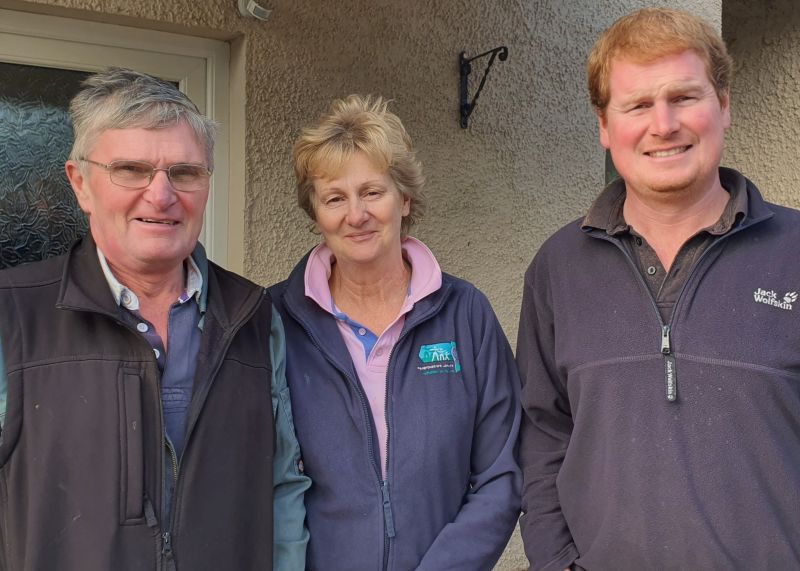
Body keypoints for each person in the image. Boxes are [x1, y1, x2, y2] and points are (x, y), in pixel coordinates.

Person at [518, 7, 800, 571]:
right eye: (638, 105)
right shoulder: (557, 268)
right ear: (605, 126)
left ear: (723, 107)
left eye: (684, 97)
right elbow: (541, 437)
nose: (663, 124)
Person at [0, 68, 309, 570]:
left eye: (184, 173)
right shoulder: (13, 315)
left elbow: (283, 486)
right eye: (131, 169)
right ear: (80, 183)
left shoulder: (253, 315)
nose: (161, 195)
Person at [269, 95, 521, 570]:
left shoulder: (465, 314)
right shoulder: (275, 320)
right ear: (316, 213)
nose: (356, 214)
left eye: (372, 192)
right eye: (335, 198)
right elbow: (261, 479)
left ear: (404, 199)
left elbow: (500, 473)